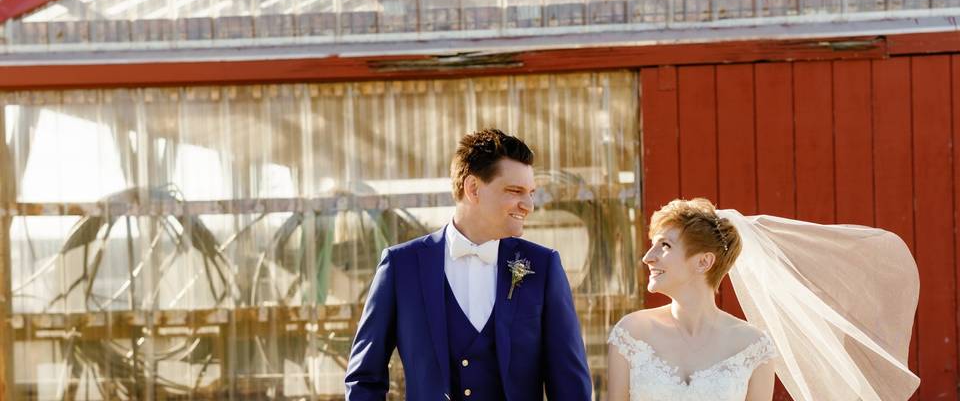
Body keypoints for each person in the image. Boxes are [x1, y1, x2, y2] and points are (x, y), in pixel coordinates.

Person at [345, 128, 592, 401]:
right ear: (473, 189)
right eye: (515, 191)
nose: (528, 205)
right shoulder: (401, 266)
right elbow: (364, 378)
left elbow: (570, 384)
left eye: (531, 192)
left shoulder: (543, 266)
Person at [608, 198, 920, 401]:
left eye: (664, 245)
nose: (648, 257)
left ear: (703, 262)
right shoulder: (631, 334)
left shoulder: (753, 346)